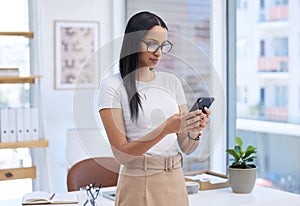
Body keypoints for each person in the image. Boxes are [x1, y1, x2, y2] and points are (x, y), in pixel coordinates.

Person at [98, 11, 211, 206]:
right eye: (151, 44)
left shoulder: (172, 82)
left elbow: (186, 148)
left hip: (175, 179)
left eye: (163, 46)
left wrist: (194, 130)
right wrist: (165, 129)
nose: (158, 52)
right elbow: (121, 155)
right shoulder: (112, 86)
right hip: (138, 182)